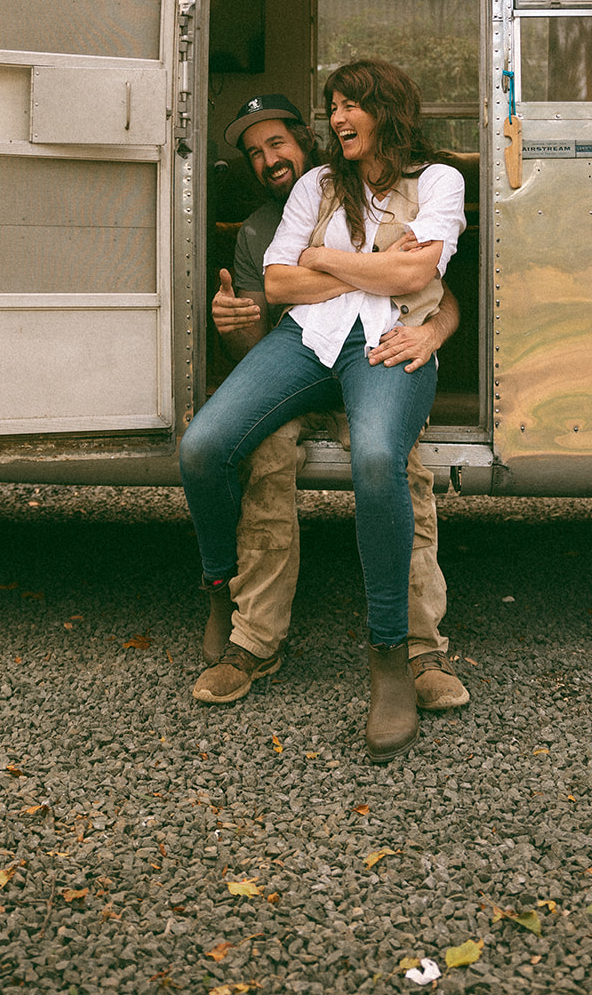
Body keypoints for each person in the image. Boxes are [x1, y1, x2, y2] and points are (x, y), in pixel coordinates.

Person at [181, 62, 467, 761]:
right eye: (332, 107)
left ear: (387, 111)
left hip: (386, 346)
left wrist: (327, 260)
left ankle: (393, 656)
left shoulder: (437, 182)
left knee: (378, 463)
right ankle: (222, 587)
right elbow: (280, 283)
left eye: (349, 107)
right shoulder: (317, 185)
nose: (337, 119)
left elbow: (414, 278)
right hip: (305, 343)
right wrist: (366, 260)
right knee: (203, 446)